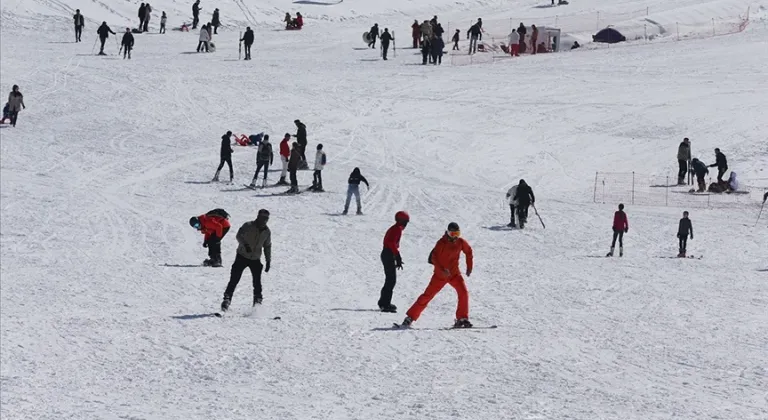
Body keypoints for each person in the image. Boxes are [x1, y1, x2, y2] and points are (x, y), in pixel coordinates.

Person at [398, 222, 474, 329]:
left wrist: (469, 266)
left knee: (463, 293)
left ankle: (462, 318)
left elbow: (468, 251)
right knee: (427, 296)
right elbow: (434, 259)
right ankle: (410, 317)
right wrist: (442, 270)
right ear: (448, 233)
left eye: (457, 233)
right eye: (453, 234)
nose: (455, 237)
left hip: (454, 274)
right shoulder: (441, 243)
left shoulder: (460, 242)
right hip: (440, 276)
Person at [220, 209, 272, 312]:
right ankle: (227, 299)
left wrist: (268, 261)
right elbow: (239, 235)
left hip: (255, 259)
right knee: (234, 279)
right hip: (242, 256)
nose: (264, 220)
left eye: (266, 218)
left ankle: (257, 304)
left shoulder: (267, 231)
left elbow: (267, 246)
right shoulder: (248, 226)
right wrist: (245, 245)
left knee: (257, 283)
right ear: (258, 216)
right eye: (263, 217)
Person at [379, 211, 410, 312]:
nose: (406, 224)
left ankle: (383, 302)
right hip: (388, 254)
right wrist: (397, 256)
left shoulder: (396, 228)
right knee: (391, 280)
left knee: (390, 279)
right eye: (405, 222)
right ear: (401, 221)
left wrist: (396, 256)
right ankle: (385, 304)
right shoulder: (396, 229)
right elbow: (391, 243)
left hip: (388, 254)